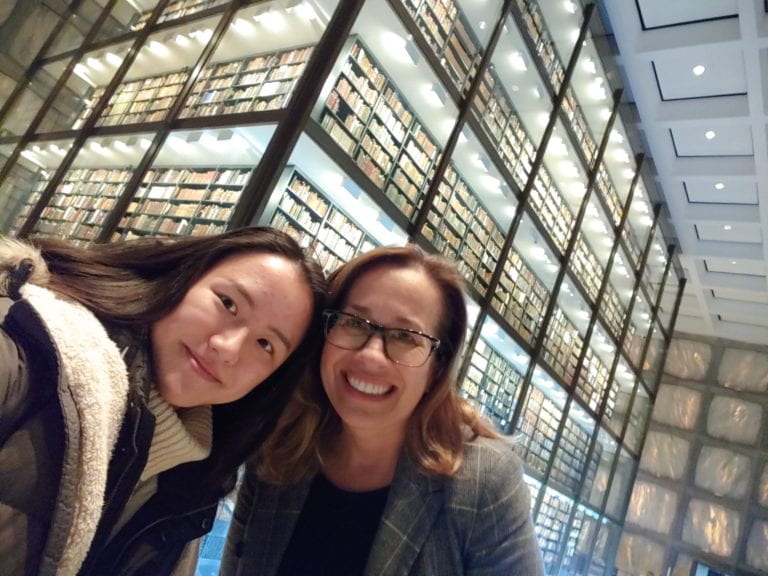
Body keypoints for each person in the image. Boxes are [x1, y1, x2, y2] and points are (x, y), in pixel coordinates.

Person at [0, 227, 328, 576]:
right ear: (181, 279)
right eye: (227, 303)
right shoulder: (31, 351)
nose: (228, 348)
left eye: (265, 344)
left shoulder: (195, 484)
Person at [221, 245, 544, 575]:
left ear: (437, 366)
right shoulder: (279, 447)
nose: (371, 356)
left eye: (405, 336)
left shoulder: (485, 482)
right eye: (354, 323)